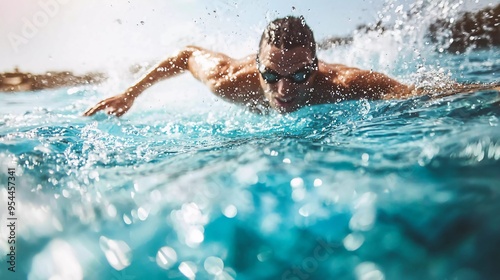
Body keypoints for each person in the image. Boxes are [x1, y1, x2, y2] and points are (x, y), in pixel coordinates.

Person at [83, 16, 444, 117]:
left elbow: (417, 95)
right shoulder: (229, 81)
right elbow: (186, 54)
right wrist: (131, 93)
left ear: (316, 68)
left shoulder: (345, 84)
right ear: (257, 67)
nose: (284, 91)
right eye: (271, 75)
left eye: (300, 75)